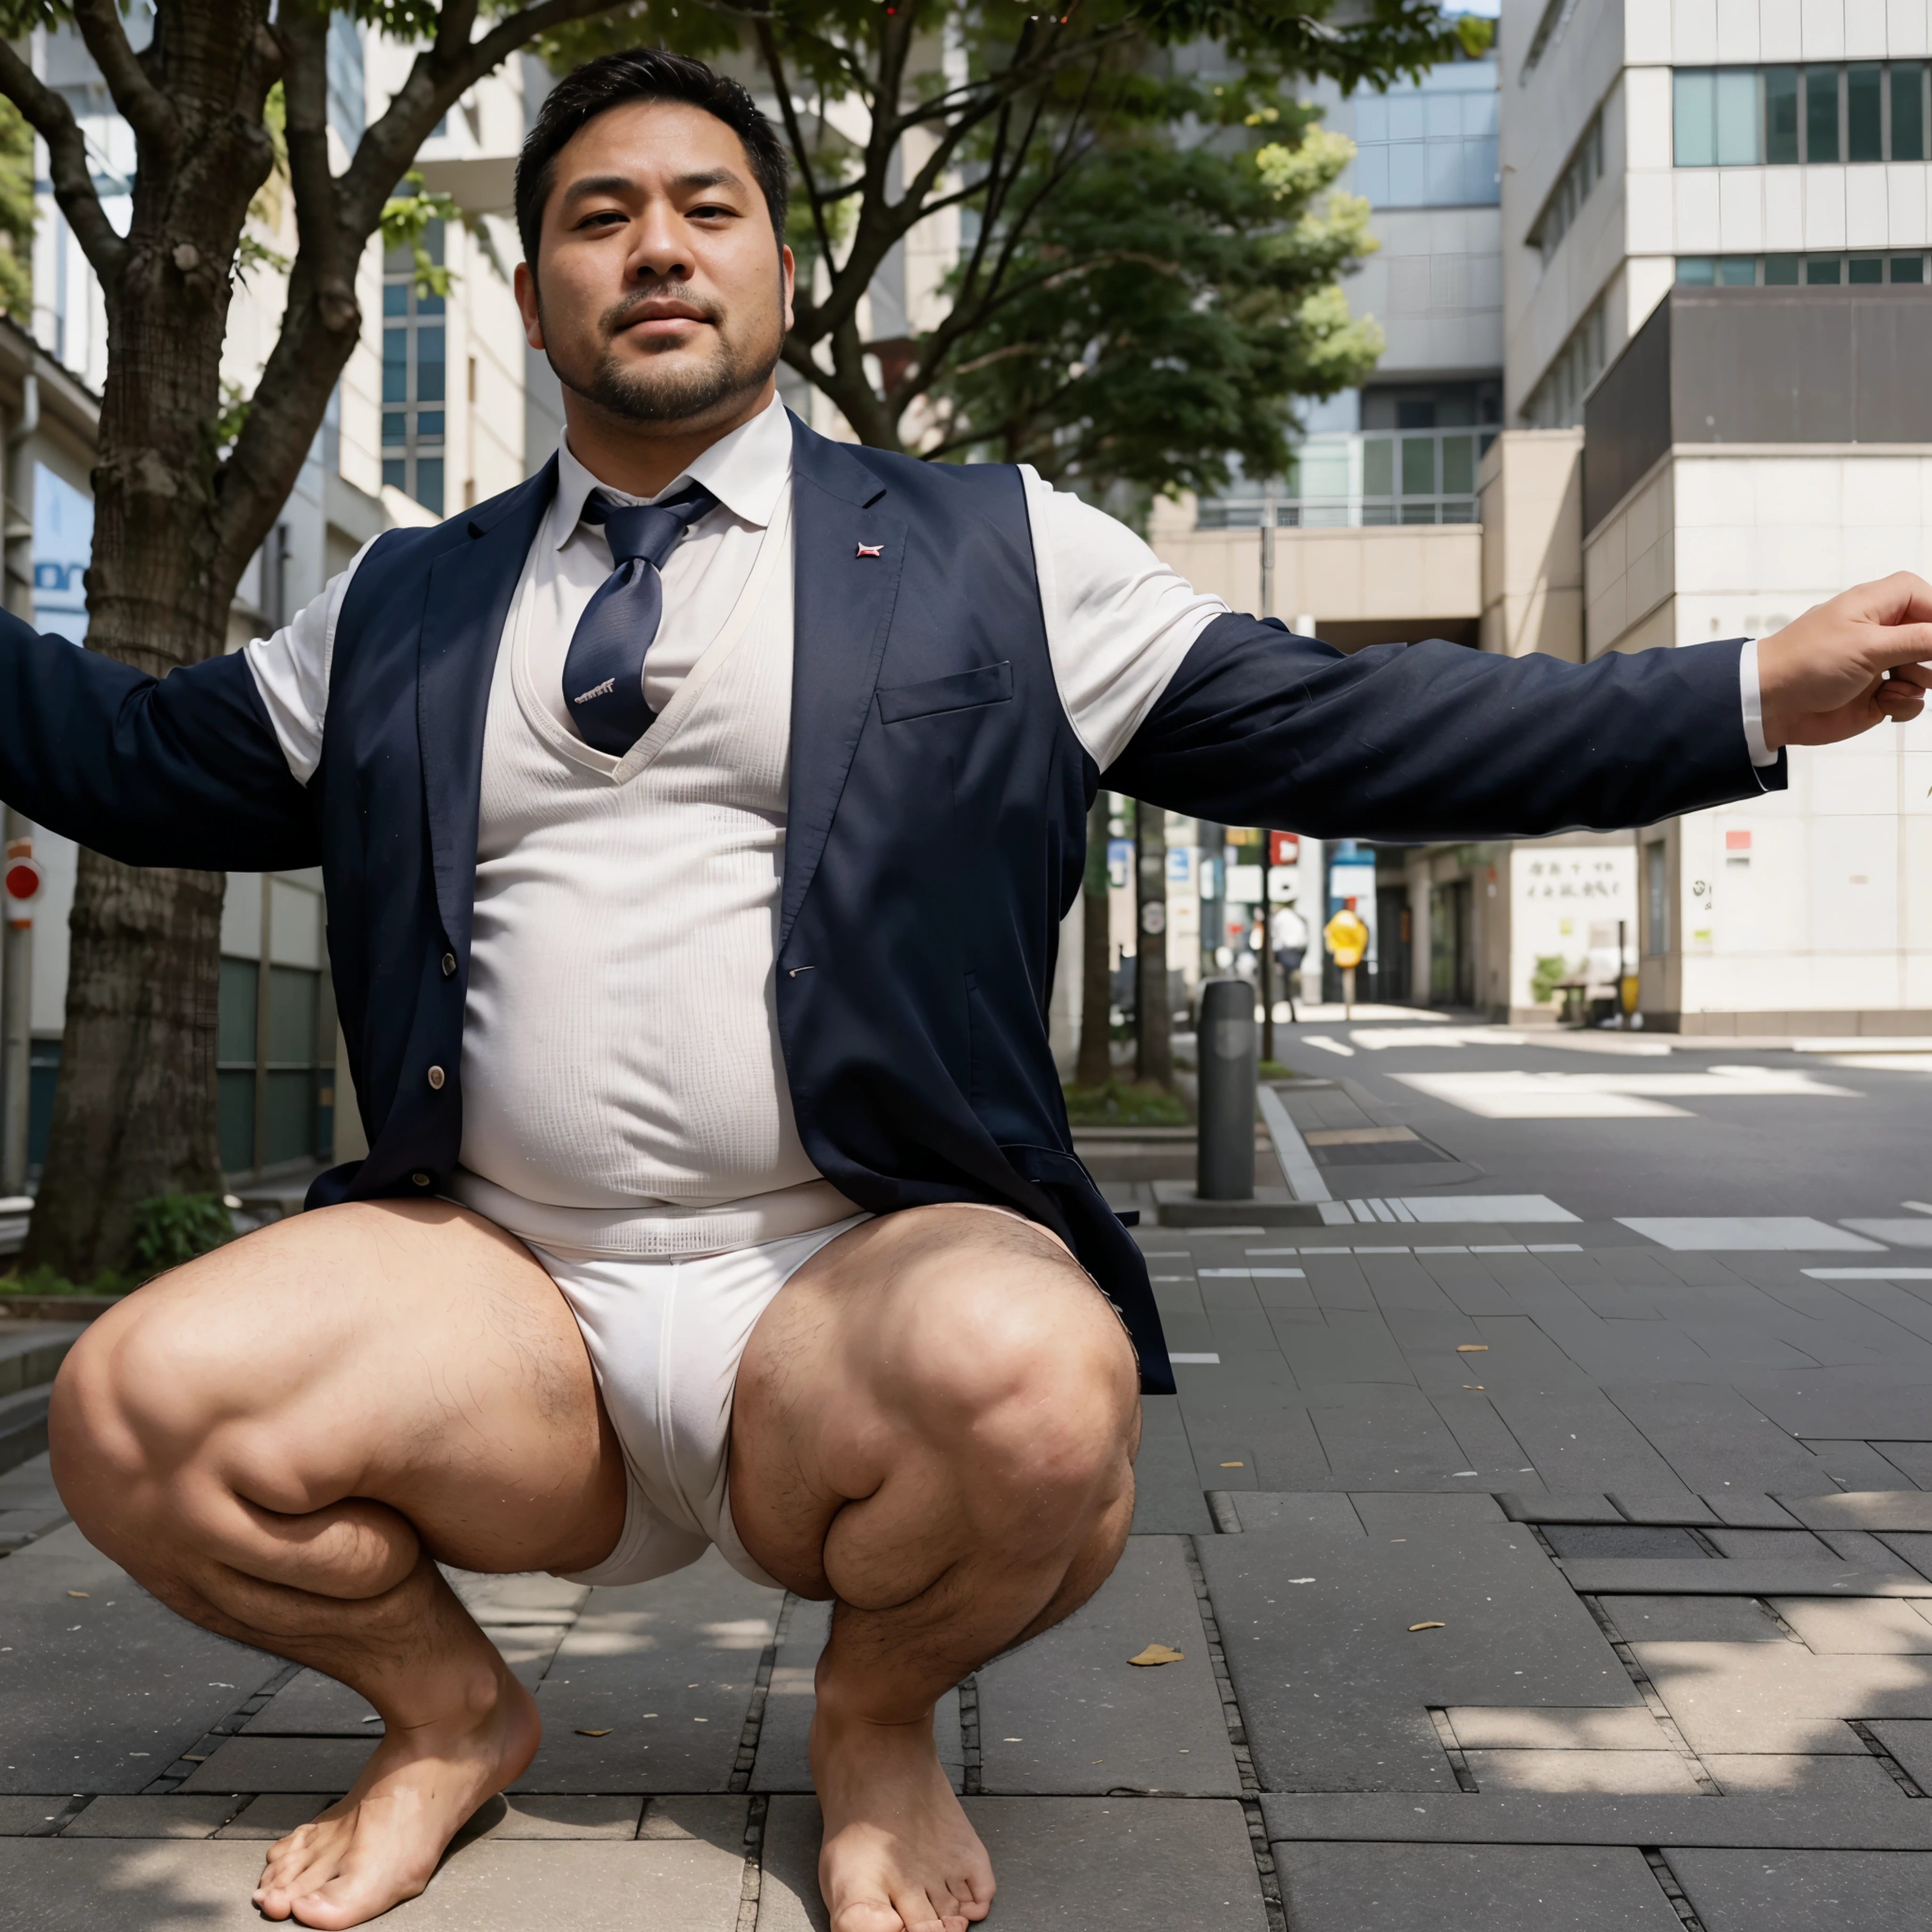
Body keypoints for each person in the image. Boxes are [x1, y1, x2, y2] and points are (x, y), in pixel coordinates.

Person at [3, 45, 1929, 1932]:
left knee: (1038, 1390)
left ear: (774, 261)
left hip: (849, 1276)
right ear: (534, 291)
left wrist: (1737, 691)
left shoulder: (994, 549)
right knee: (135, 1404)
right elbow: (139, 761)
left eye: (706, 210)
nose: (655, 248)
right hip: (504, 1297)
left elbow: (1351, 730)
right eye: (601, 218)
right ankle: (447, 1714)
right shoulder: (405, 598)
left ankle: (872, 1720)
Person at [1269, 901, 1309, 1022]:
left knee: (1282, 986)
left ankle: (1278, 1013)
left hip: (1285, 953)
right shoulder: (1297, 919)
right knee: (1291, 986)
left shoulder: (1280, 918)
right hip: (1294, 954)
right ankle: (1292, 1013)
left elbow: (1277, 939)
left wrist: (1276, 959)